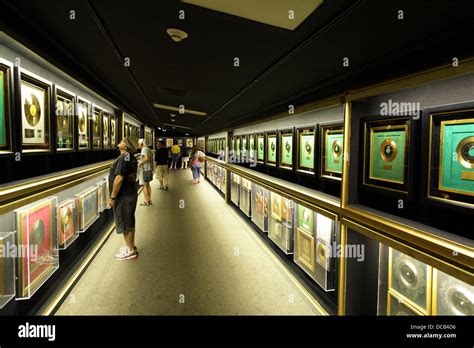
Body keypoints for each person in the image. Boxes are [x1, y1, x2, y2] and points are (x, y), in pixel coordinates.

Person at [108, 137, 139, 261]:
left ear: (126, 146)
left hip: (123, 196)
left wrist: (113, 197)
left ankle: (130, 251)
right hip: (130, 193)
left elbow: (119, 178)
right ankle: (130, 246)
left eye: (122, 141)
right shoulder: (130, 157)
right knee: (129, 221)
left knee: (125, 223)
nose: (120, 141)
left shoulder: (124, 158)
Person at [137, 139, 153, 206]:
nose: (138, 145)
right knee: (148, 185)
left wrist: (140, 162)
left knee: (144, 186)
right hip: (149, 169)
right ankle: (149, 200)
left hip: (144, 170)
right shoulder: (148, 149)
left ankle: (146, 201)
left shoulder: (143, 149)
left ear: (141, 144)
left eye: (138, 144)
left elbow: (146, 159)